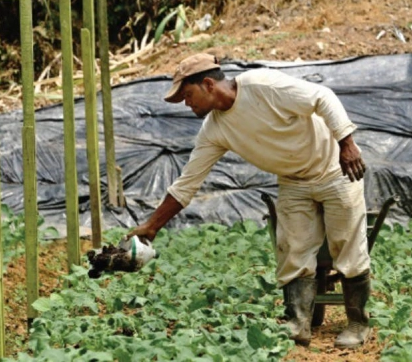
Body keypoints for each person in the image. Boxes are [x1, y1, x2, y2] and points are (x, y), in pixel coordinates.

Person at [127, 53, 371, 348]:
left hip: (334, 169)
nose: (186, 104)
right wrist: (152, 226)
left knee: (347, 245)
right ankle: (298, 324)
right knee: (293, 249)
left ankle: (357, 324)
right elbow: (187, 182)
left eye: (188, 95)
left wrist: (346, 142)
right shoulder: (215, 129)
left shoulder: (263, 85)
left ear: (207, 84)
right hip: (293, 181)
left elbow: (322, 96)